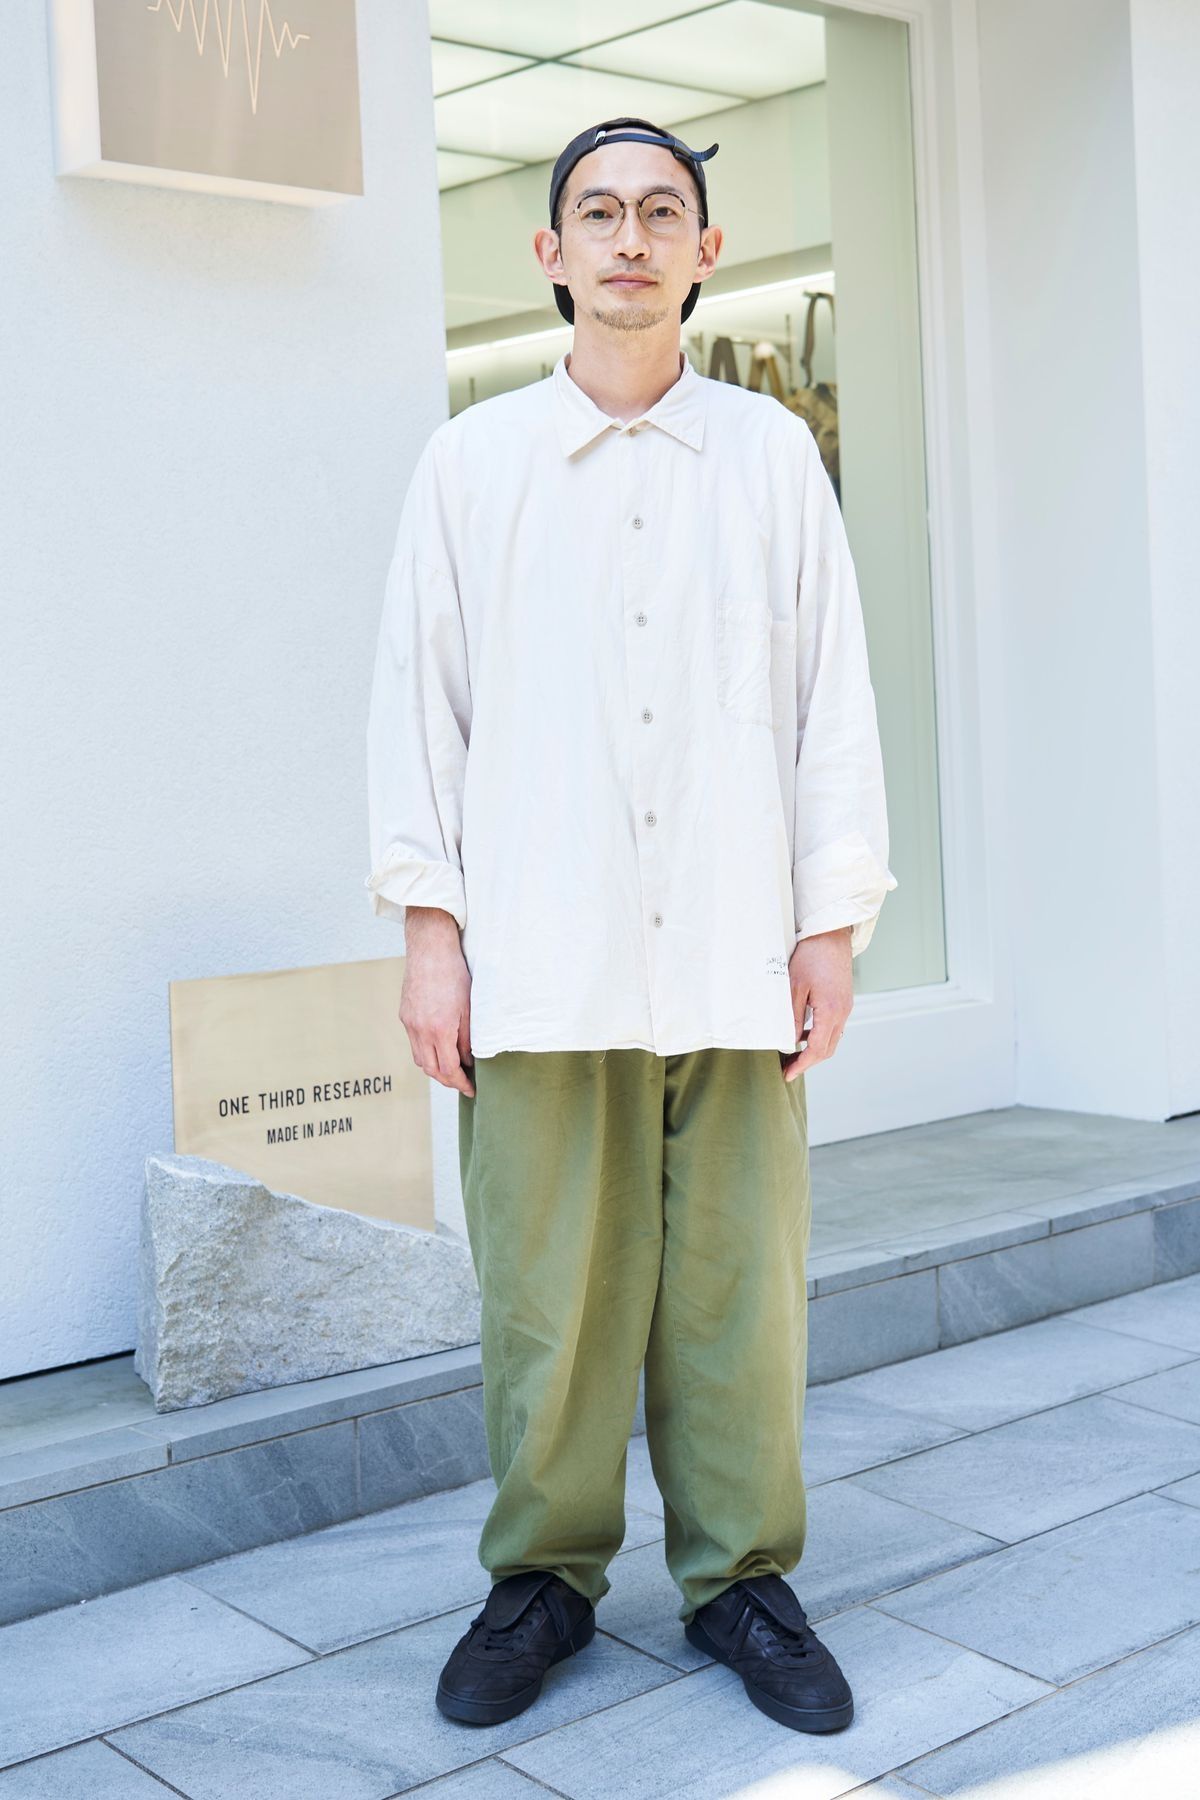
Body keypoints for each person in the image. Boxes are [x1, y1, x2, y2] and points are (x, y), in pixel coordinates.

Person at [365, 115, 898, 1736]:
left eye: (662, 212)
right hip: (544, 950)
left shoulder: (771, 457)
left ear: (705, 251)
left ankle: (742, 1579)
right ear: (551, 253)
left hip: (735, 948)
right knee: (549, 1296)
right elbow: (419, 709)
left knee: (742, 1293)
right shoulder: (473, 465)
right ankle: (544, 1577)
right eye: (598, 213)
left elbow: (830, 700)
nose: (629, 238)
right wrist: (433, 929)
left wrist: (831, 921)